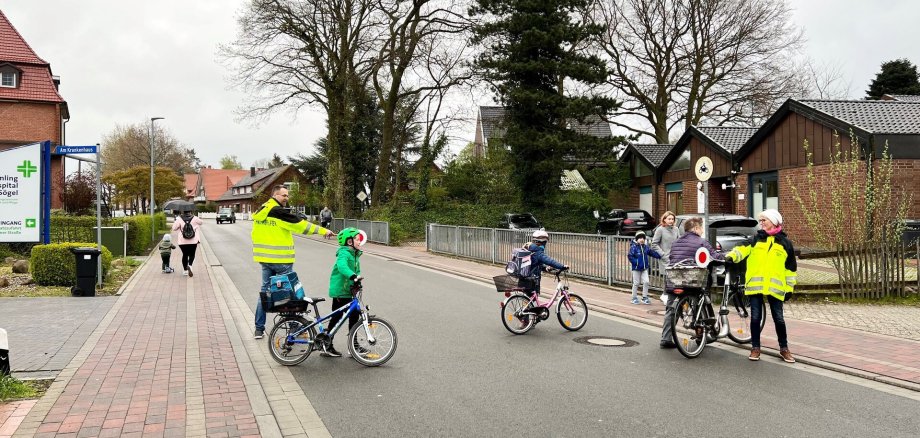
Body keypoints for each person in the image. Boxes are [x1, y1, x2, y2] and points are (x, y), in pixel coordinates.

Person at [252, 185, 335, 339]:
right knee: (290, 292)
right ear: (275, 195)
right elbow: (301, 226)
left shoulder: (261, 210)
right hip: (281, 260)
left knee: (265, 292)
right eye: (284, 195)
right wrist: (324, 231)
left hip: (265, 259)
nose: (287, 198)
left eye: (287, 195)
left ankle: (259, 328)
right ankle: (294, 326)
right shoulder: (278, 212)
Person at [725, 209, 797, 363]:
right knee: (755, 317)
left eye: (764, 220)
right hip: (755, 286)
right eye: (761, 220)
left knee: (779, 319)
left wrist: (789, 288)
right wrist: (731, 256)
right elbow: (742, 249)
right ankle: (755, 348)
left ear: (774, 221)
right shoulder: (755, 239)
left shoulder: (785, 243)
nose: (761, 223)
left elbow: (790, 269)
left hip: (775, 288)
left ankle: (784, 349)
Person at [659, 217, 723, 348]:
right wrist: (726, 257)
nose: (702, 231)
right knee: (698, 304)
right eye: (700, 228)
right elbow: (714, 256)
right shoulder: (701, 242)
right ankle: (700, 335)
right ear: (696, 228)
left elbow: (672, 258)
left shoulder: (676, 242)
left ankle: (666, 338)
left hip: (674, 281)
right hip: (693, 281)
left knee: (671, 310)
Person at [323, 227, 365, 358]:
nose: (359, 241)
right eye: (357, 239)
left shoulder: (354, 253)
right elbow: (342, 267)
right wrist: (353, 276)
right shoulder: (343, 253)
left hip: (349, 291)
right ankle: (326, 344)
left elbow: (356, 271)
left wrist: (357, 280)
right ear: (349, 242)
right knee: (337, 318)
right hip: (341, 291)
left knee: (354, 315)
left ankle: (353, 345)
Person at [523, 230, 569, 294]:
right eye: (545, 242)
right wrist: (562, 266)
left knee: (528, 301)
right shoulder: (537, 252)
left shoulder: (529, 248)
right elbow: (550, 261)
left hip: (524, 278)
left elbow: (534, 263)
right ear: (542, 242)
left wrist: (545, 268)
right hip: (532, 280)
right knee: (532, 301)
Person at [652, 211, 681, 304]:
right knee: (668, 277)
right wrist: (663, 254)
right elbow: (654, 244)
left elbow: (679, 241)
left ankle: (666, 295)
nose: (671, 221)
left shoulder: (676, 229)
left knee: (673, 277)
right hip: (665, 258)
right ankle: (666, 296)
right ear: (664, 219)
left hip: (675, 257)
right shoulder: (660, 229)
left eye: (672, 219)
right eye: (669, 219)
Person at [628, 231, 661, 305]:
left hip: (644, 268)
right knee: (636, 283)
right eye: (639, 238)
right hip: (636, 268)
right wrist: (636, 263)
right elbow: (630, 256)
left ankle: (644, 297)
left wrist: (659, 255)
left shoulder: (645, 247)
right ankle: (634, 298)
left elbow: (651, 252)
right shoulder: (633, 247)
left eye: (643, 238)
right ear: (636, 239)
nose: (641, 239)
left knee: (646, 282)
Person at [171, 211, 203, 277]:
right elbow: (201, 222)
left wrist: (177, 221)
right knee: (192, 254)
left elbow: (174, 228)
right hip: (193, 241)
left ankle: (185, 271)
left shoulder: (179, 219)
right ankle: (190, 265)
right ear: (190, 211)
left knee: (185, 255)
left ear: (183, 212)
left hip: (182, 241)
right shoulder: (195, 218)